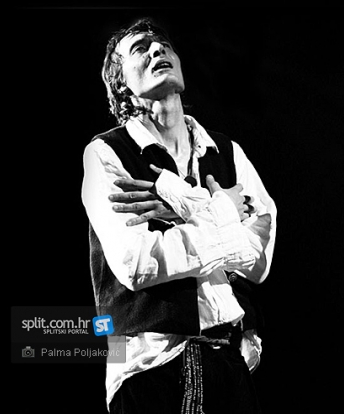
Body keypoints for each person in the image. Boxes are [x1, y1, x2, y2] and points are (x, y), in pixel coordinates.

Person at [81, 17, 276, 414]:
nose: (157, 49)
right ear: (121, 84)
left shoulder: (227, 152)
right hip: (151, 367)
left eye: (163, 45)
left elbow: (259, 259)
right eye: (141, 49)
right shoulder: (106, 153)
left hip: (230, 362)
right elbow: (139, 263)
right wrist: (222, 211)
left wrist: (186, 208)